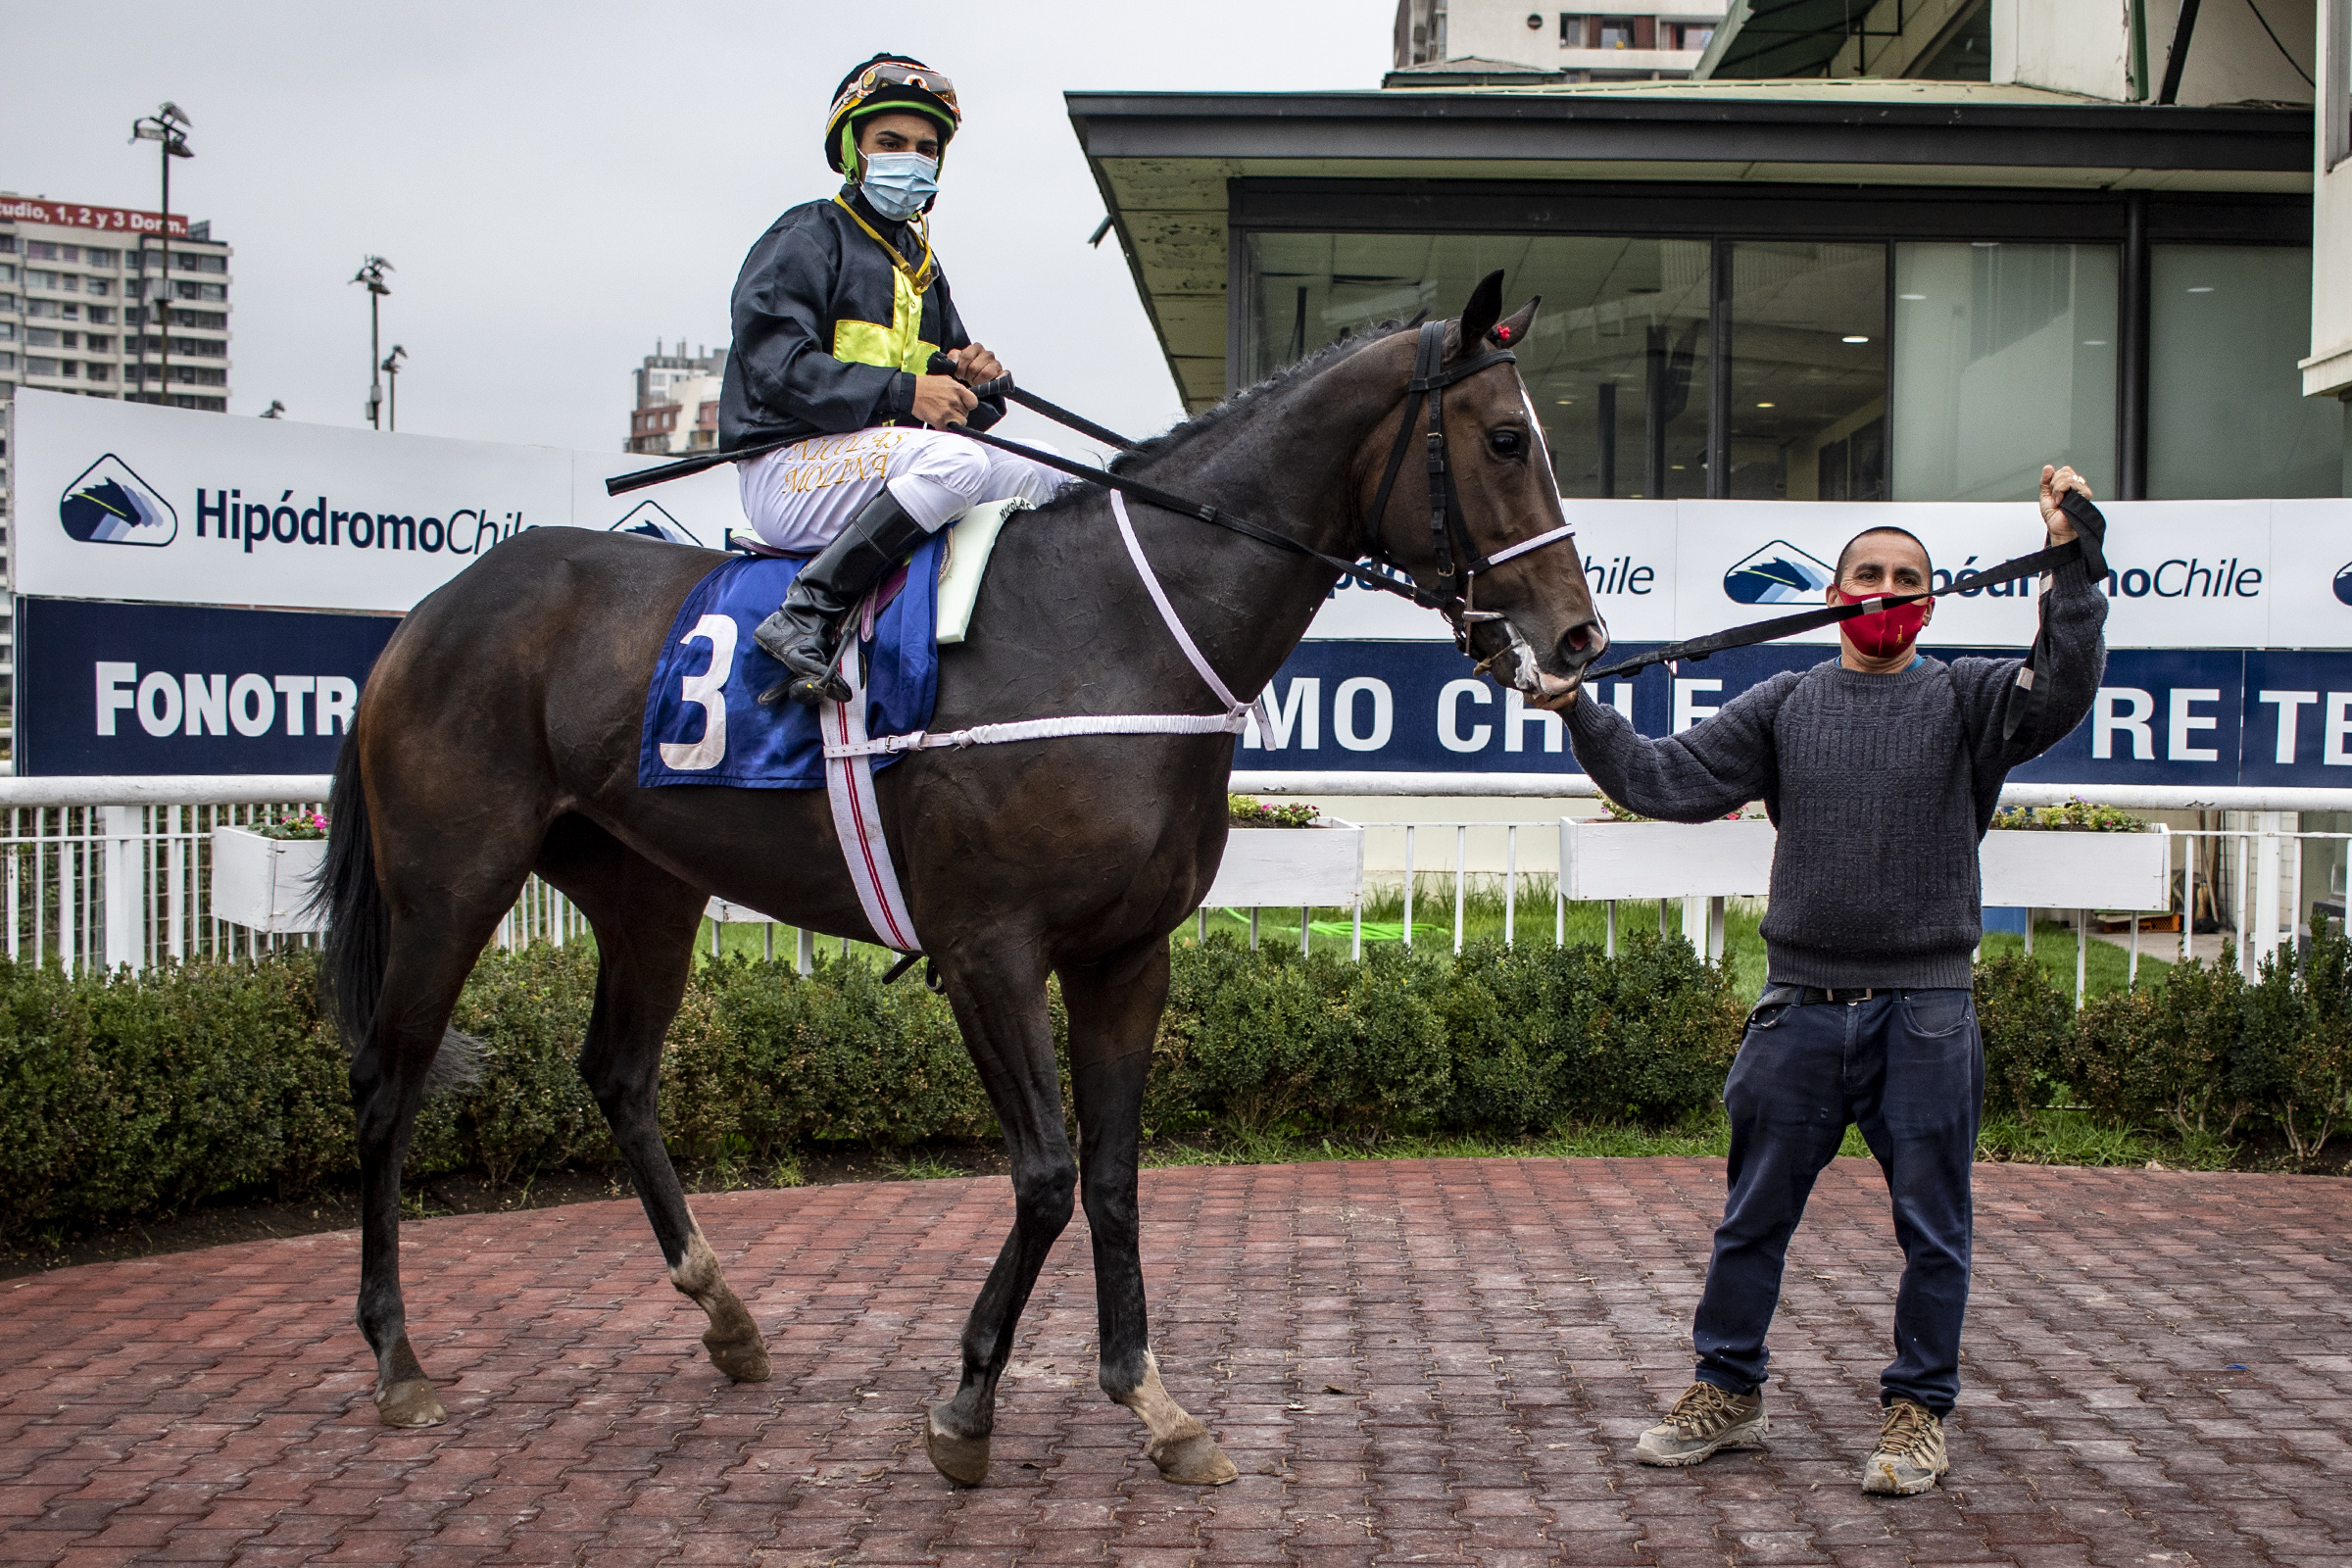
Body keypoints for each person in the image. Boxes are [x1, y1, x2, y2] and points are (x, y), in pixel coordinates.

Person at [1564, 465, 2108, 1496]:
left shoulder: (1968, 698)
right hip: (1799, 1013)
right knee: (1751, 1222)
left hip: (1928, 1015)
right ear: (1834, 594)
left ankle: (1917, 1412)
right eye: (1869, 575)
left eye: (1907, 578)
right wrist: (1577, 708)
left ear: (1930, 603)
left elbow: (2065, 683)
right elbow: (1661, 777)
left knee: (1934, 1232)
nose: (1886, 590)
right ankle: (1728, 1390)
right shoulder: (1786, 703)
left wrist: (2071, 563)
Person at [718, 52, 1073, 706]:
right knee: (956, 464)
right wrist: (910, 393)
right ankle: (805, 612)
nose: (910, 159)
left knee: (1050, 471)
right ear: (852, 151)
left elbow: (951, 407)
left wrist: (979, 385)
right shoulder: (805, 235)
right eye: (890, 142)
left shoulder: (923, 267)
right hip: (788, 468)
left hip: (888, 464)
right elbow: (777, 369)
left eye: (925, 148)